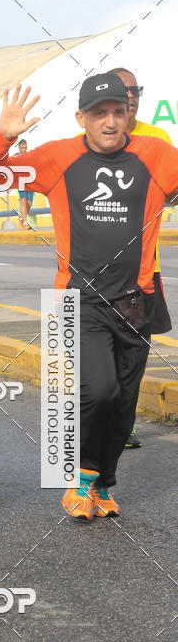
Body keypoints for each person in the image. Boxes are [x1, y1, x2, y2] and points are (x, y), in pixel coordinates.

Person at [0, 75, 178, 520]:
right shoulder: (59, 157)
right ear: (81, 118)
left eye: (117, 111)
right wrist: (4, 135)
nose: (110, 122)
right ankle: (76, 475)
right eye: (99, 113)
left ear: (129, 113)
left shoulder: (155, 154)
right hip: (76, 302)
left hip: (136, 303)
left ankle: (101, 483)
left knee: (124, 405)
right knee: (98, 390)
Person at [110, 67, 174, 450]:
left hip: (145, 269)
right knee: (96, 357)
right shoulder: (87, 141)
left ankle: (124, 424)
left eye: (136, 89)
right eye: (123, 89)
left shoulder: (158, 137)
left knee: (134, 353)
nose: (131, 95)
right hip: (91, 273)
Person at [16, 138, 34, 228]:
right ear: (18, 147)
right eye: (22, 147)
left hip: (30, 182)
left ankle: (22, 217)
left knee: (29, 203)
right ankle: (25, 222)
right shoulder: (15, 157)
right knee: (23, 201)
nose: (24, 148)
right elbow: (10, 170)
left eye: (25, 147)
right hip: (20, 183)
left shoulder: (30, 156)